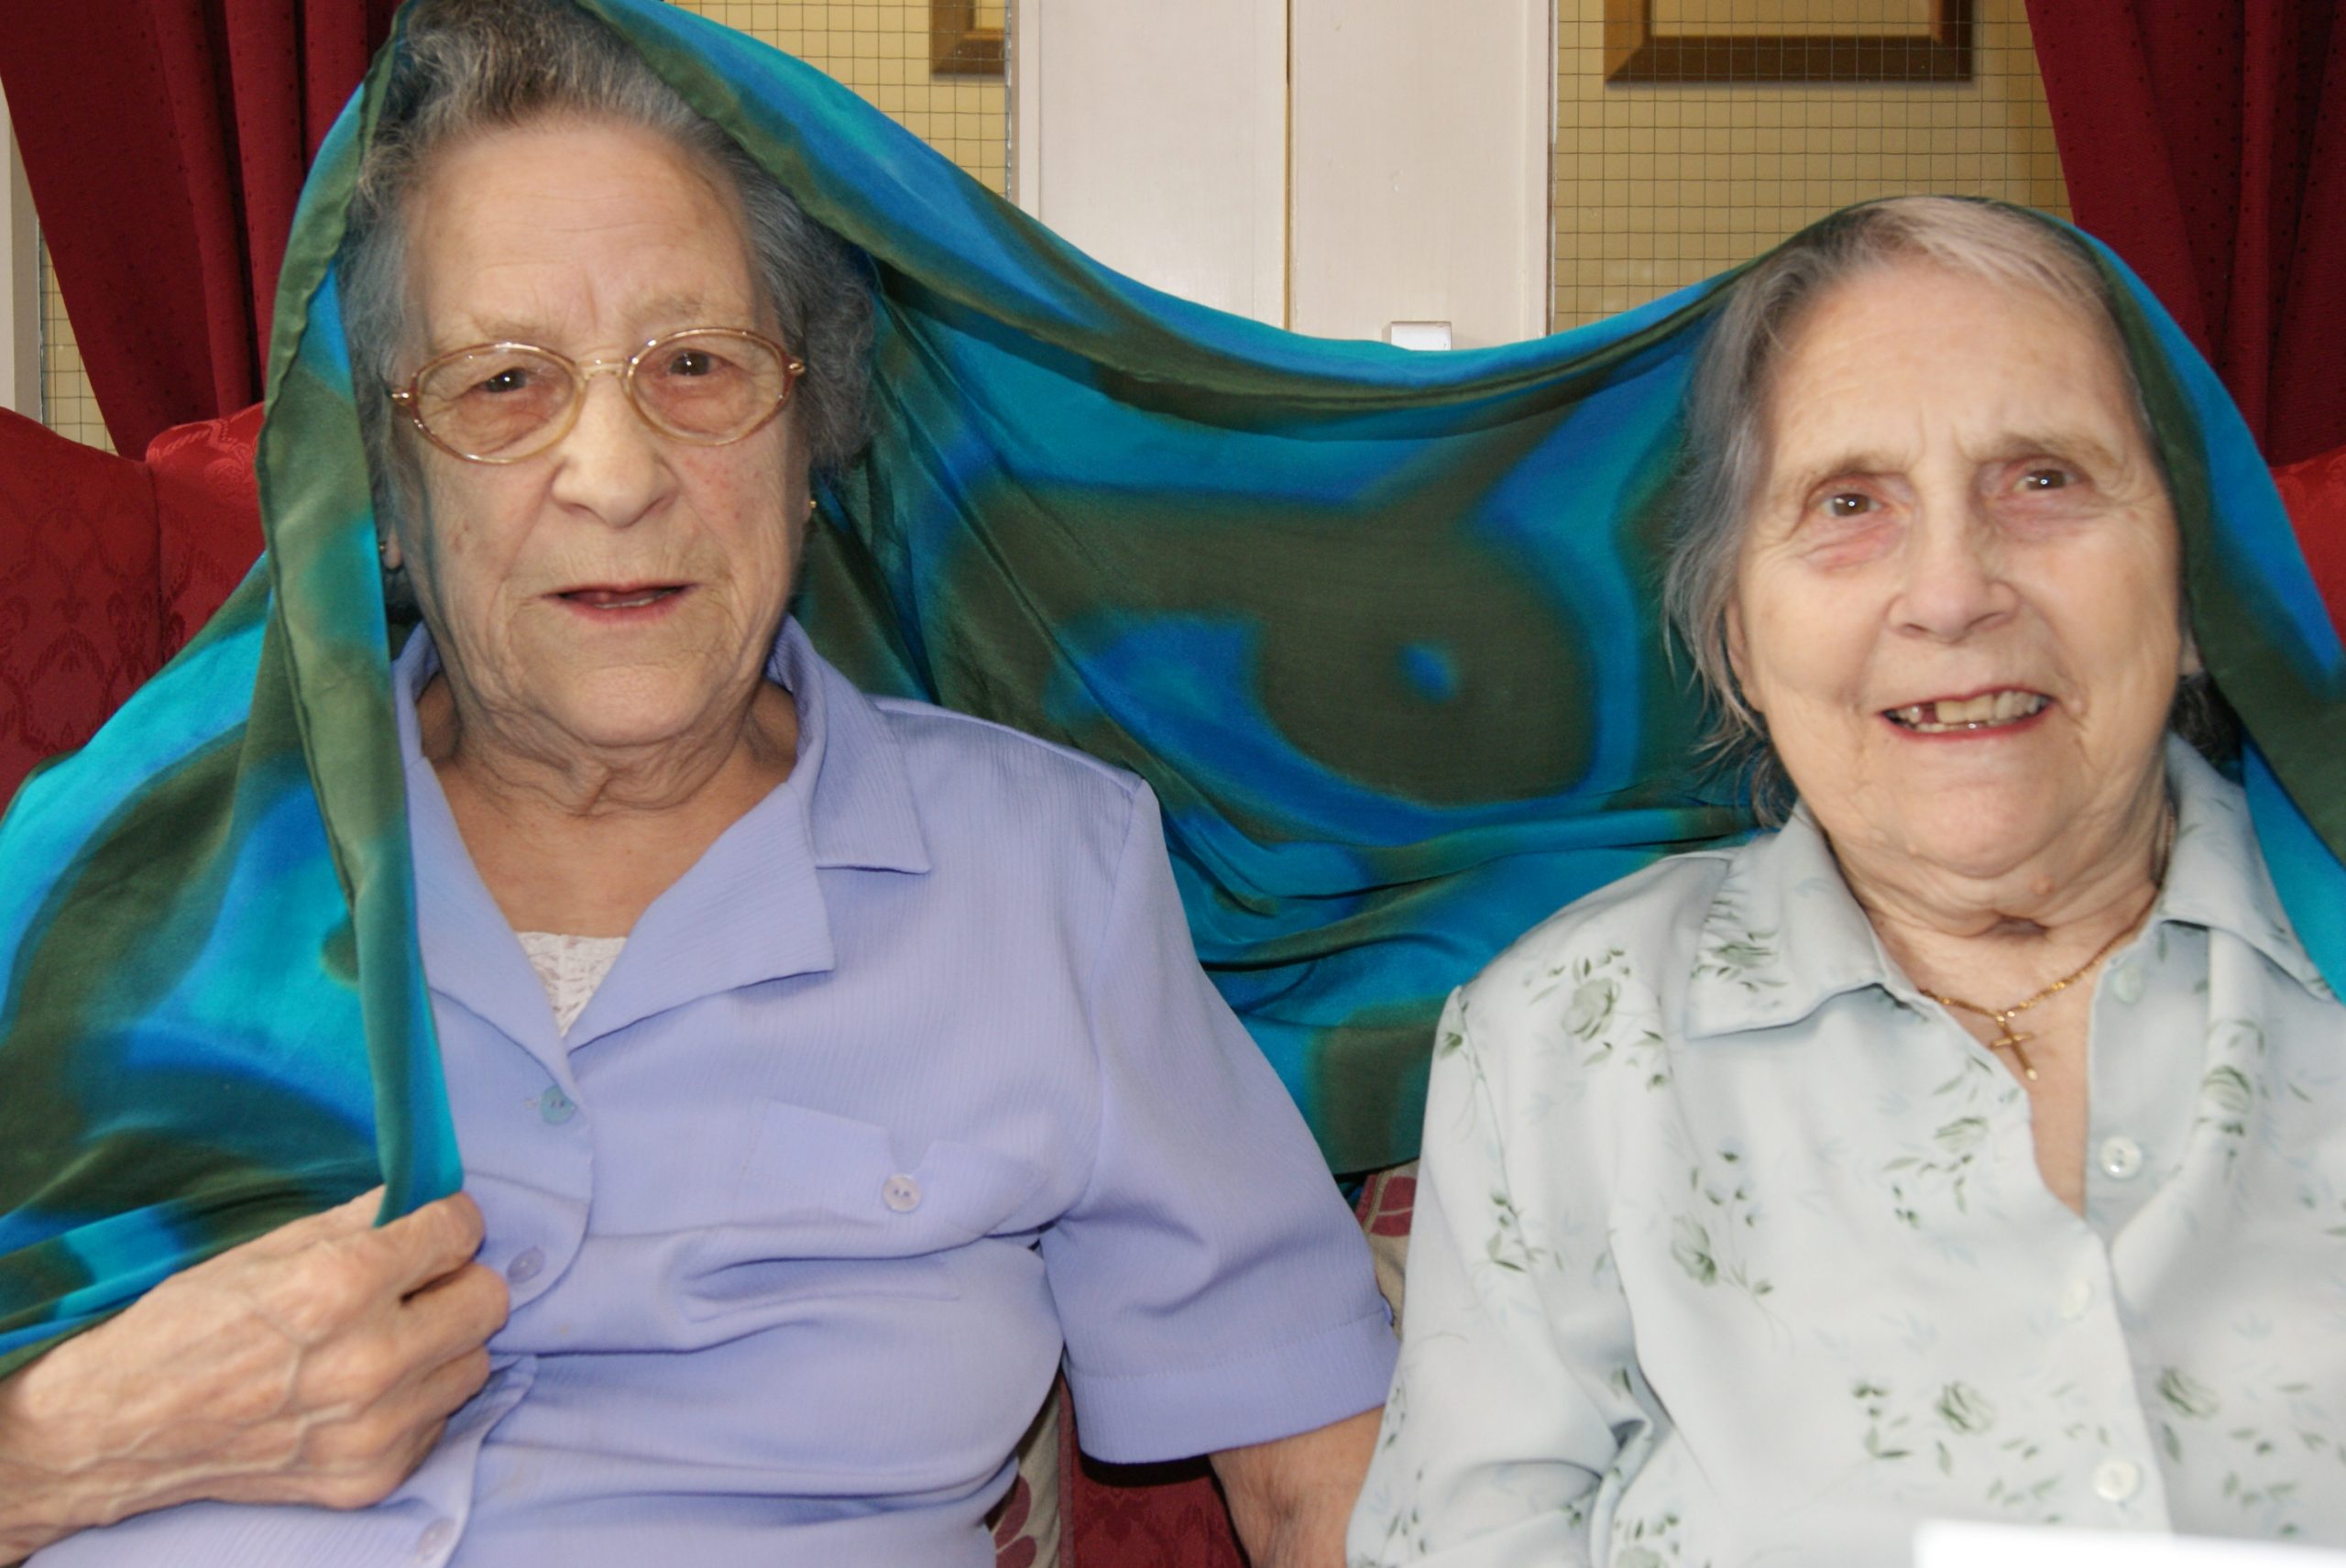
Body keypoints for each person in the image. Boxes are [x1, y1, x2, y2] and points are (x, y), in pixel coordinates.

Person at [0, 3, 1395, 1563]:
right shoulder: (105, 881)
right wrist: (63, 1448)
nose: (616, 475)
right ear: (381, 495)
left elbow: (1321, 1474)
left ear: (809, 442)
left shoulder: (1049, 876)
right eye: (502, 384)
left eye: (695, 365)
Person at [1346, 195, 2346, 1565]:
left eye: (2043, 478)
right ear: (1738, 641)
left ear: (2196, 588)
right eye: (1850, 503)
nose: (1952, 591)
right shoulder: (1568, 1040)